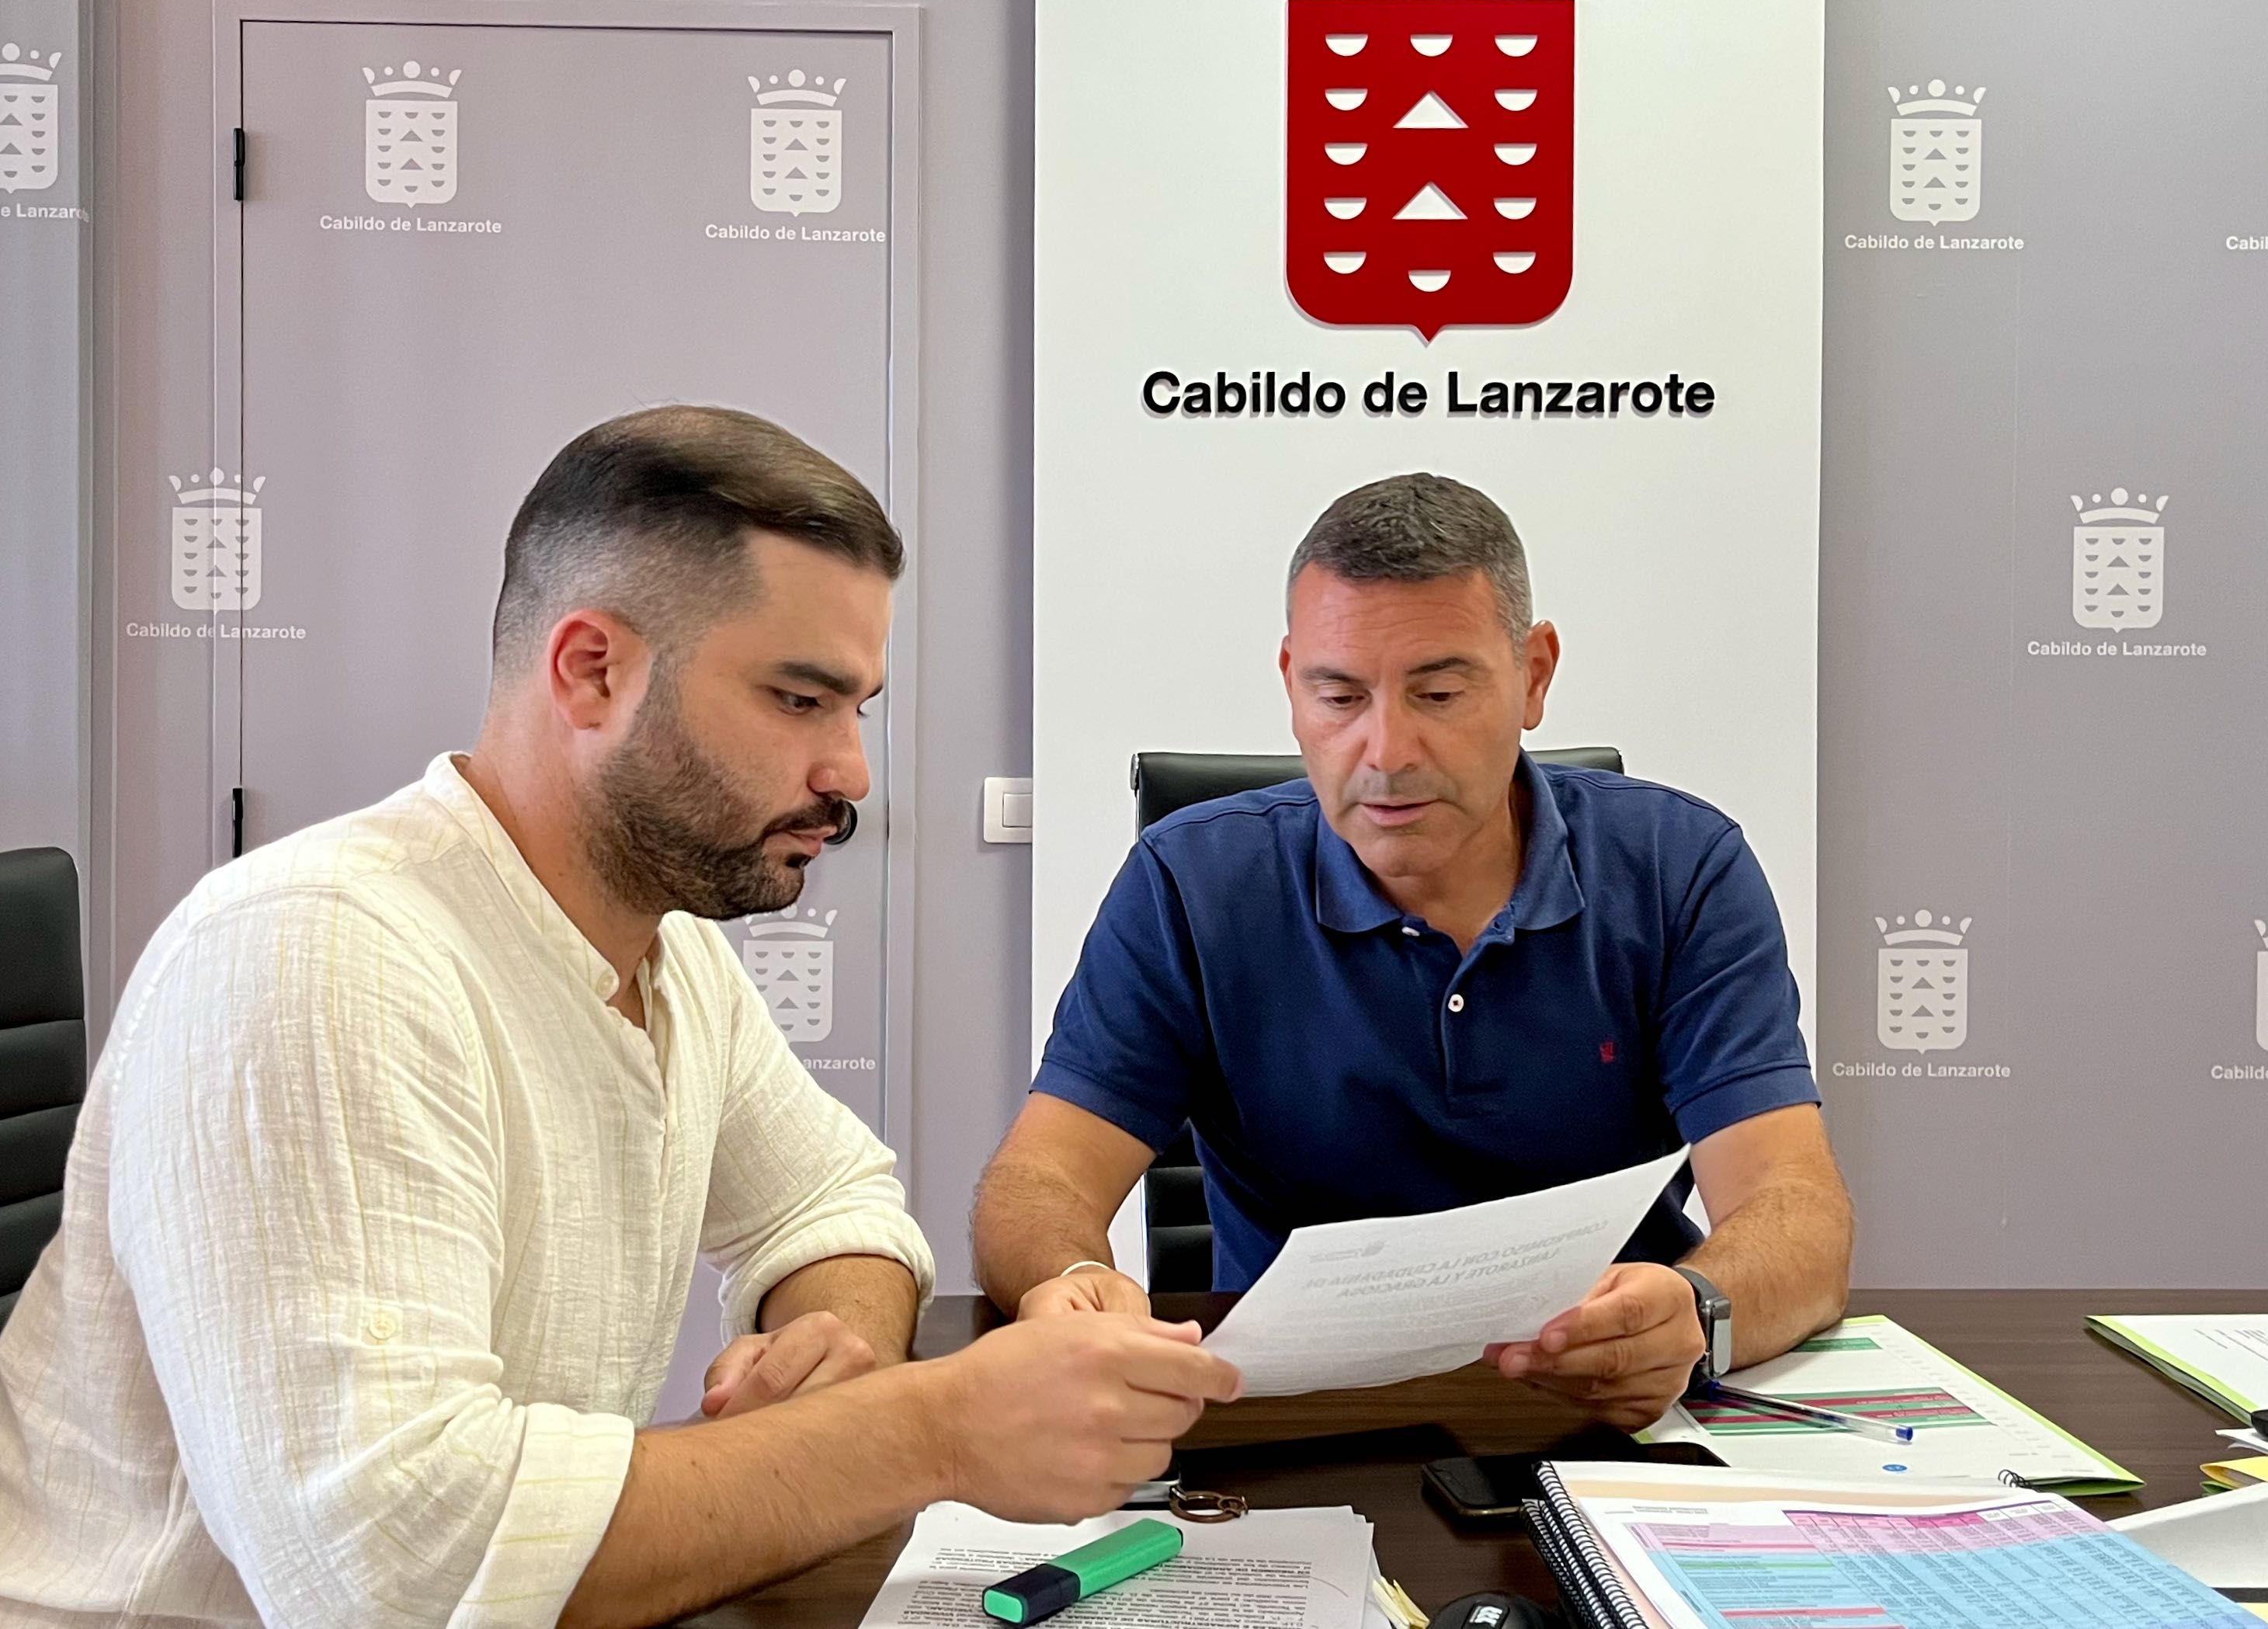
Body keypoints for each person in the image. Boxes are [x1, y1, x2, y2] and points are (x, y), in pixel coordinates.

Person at [0, 407, 1239, 1628]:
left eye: (857, 706)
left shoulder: (668, 950)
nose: (852, 771)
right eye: (799, 700)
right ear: (593, 668)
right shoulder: (311, 954)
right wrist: (930, 1427)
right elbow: (395, 1571)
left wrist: (828, 1351)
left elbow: (834, 1204)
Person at [974, 473, 1851, 1429]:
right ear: (1288, 684)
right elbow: (1037, 1181)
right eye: (1339, 695)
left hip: (1600, 1407)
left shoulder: (1682, 869)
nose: (1385, 749)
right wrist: (1067, 1282)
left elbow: (1794, 1212)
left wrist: (1696, 1312)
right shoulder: (1191, 883)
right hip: (1290, 1422)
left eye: (1437, 691)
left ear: (1534, 675)